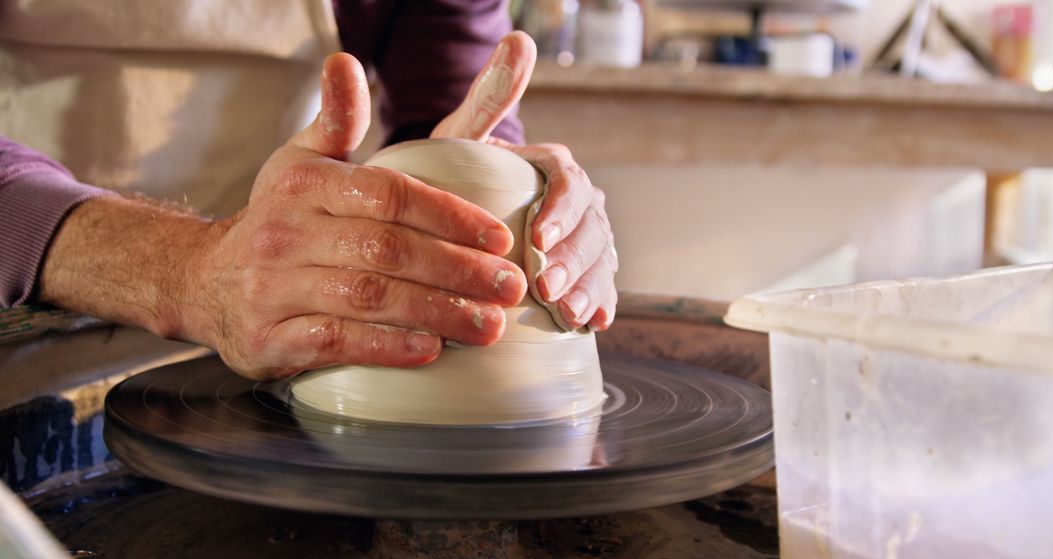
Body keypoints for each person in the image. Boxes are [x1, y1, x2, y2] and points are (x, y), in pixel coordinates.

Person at [0, 1, 617, 379]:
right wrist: (188, 270)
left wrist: (496, 194)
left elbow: (458, 105)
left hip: (286, 348)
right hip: (25, 303)